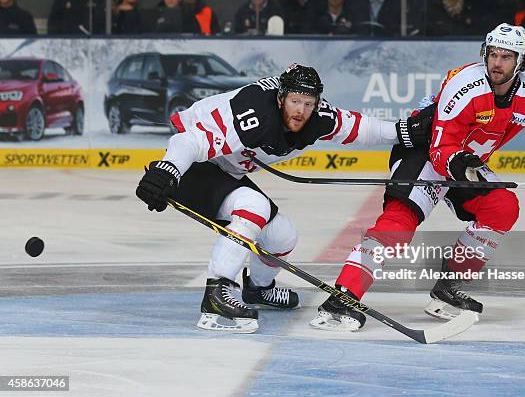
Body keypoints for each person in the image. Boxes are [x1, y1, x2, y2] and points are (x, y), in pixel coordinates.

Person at [135, 64, 435, 333]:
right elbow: (189, 141)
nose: (301, 111)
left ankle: (258, 288)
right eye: (295, 101)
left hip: (225, 169)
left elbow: (359, 128)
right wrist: (166, 171)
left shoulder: (316, 117)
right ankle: (218, 292)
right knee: (255, 207)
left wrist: (403, 132)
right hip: (192, 164)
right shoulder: (253, 113)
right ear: (280, 98)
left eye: (308, 103)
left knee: (282, 237)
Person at [310, 23, 525, 331]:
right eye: (492, 54)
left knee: (502, 206)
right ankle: (342, 298)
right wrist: (460, 164)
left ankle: (448, 290)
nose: (497, 63)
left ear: (522, 62)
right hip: (425, 153)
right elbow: (441, 146)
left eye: (506, 57)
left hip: (467, 162)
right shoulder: (465, 84)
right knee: (399, 224)